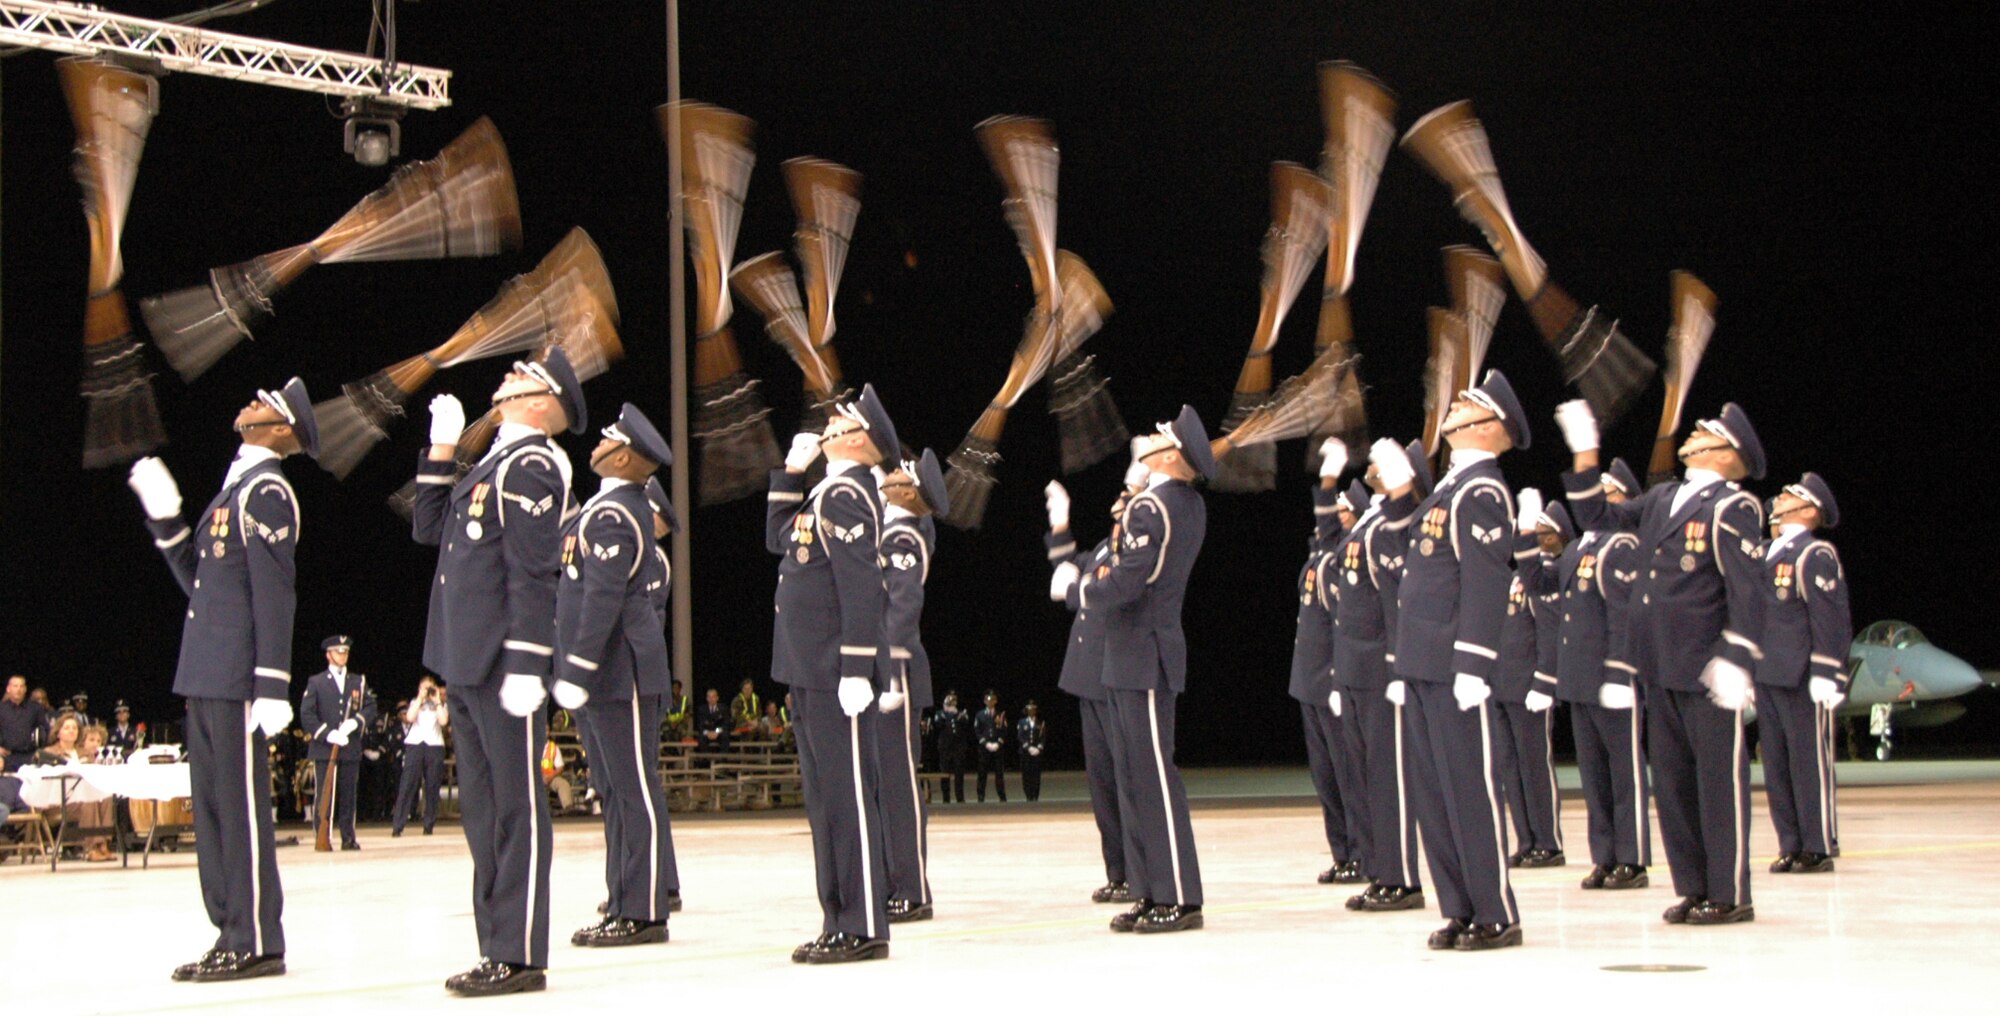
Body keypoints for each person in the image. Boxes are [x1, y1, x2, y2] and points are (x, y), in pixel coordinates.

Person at [127, 377, 317, 982]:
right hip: (207, 670)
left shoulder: (267, 492)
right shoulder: (235, 488)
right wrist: (166, 519)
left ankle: (258, 938)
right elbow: (201, 581)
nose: (250, 401)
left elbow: (274, 594)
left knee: (240, 812)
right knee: (210, 812)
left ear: (282, 429)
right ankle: (230, 931)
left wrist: (272, 683)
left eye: (264, 403)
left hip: (237, 677)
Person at [413, 350, 588, 996]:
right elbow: (427, 528)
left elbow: (534, 574)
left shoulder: (536, 464)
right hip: (465, 657)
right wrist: (440, 449)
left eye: (522, 377)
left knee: (517, 810)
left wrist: (526, 662)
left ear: (544, 405)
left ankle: (519, 954)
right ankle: (496, 948)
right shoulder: (495, 462)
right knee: (484, 814)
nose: (508, 377)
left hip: (501, 662)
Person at [1559, 398, 1767, 925]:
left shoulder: (1732, 507)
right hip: (1657, 663)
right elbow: (1596, 517)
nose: (1692, 435)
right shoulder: (1664, 499)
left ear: (1726, 454)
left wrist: (1737, 657)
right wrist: (1586, 453)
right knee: (1673, 786)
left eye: (1705, 434)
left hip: (1705, 666)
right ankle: (1695, 887)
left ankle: (1730, 891)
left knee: (1719, 783)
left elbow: (1748, 589)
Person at [1370, 370, 1529, 952]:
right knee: (1434, 794)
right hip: (1421, 663)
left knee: (1470, 788)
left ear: (1486, 428)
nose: (1452, 408)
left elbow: (1486, 582)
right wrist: (1397, 493)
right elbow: (1409, 559)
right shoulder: (1451, 491)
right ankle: (1459, 907)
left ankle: (1495, 911)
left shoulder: (1483, 491)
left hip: (1453, 666)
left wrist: (1473, 662)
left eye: (1465, 405)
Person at [1060, 405, 1212, 935]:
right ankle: (1152, 891)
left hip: (1140, 652)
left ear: (1170, 455)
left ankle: (1176, 897)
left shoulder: (1155, 507)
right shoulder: (1177, 503)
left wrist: (1079, 588)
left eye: (1157, 435)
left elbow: (1127, 581)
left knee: (1152, 779)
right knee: (1136, 780)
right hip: (1135, 653)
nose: (1145, 436)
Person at [766, 384, 898, 964]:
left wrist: (855, 667)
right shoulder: (827, 491)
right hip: (809, 666)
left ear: (857, 439)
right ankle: (838, 916)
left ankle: (862, 922)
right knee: (826, 799)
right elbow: (779, 541)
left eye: (838, 421)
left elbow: (861, 586)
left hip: (831, 669)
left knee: (846, 798)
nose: (827, 424)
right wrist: (790, 474)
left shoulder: (847, 495)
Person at [553, 403, 682, 948]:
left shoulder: (614, 515)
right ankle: (626, 900)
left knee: (633, 791)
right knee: (617, 791)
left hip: (619, 671)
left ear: (624, 456)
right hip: (613, 672)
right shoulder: (607, 510)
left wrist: (578, 667)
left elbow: (602, 599)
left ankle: (646, 909)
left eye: (607, 440)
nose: (597, 444)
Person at [1521, 461, 1650, 890]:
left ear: (1622, 500)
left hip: (1610, 677)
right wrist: (1525, 535)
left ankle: (1630, 859)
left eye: (1606, 493)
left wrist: (1618, 671)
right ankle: (1605, 855)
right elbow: (1540, 582)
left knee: (1624, 773)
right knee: (1595, 776)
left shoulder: (1623, 545)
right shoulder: (1578, 548)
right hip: (1579, 677)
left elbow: (1622, 616)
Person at [1044, 460, 1146, 904]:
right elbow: (1068, 565)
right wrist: (1060, 520)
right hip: (1089, 677)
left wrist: (1072, 588)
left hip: (1115, 675)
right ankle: (1119, 872)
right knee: (1103, 784)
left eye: (1123, 502)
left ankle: (1138, 872)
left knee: (1126, 781)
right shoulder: (1107, 548)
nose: (1114, 506)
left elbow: (1082, 585)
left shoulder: (1133, 553)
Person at [1331, 464, 1427, 914]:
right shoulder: (1367, 524)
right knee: (1367, 775)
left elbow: (1395, 601)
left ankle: (1401, 877)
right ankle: (1379, 868)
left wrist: (1396, 668)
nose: (1373, 464)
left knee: (1390, 779)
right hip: (1354, 668)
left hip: (1379, 670)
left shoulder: (1387, 527)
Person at [1757, 473, 1851, 875]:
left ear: (1808, 510)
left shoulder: (1814, 554)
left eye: (1789, 496)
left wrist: (1827, 671)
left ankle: (1818, 843)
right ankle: (1791, 842)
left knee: (1807, 761)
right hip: (1767, 672)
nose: (1778, 498)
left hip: (1799, 673)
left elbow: (1829, 618)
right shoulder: (1767, 553)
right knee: (1776, 764)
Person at [872, 449, 949, 922]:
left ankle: (912, 888)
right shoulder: (893, 528)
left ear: (908, 492)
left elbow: (902, 608)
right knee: (884, 782)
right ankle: (891, 880)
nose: (890, 473)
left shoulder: (903, 535)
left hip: (893, 672)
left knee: (898, 782)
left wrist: (890, 673)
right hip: (883, 670)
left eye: (898, 472)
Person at [1293, 439, 1367, 885]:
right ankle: (1342, 851)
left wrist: (1328, 478)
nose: (1332, 514)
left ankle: (1361, 851)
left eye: (1341, 509)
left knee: (1349, 773)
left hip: (1335, 677)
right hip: (1309, 678)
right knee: (1326, 778)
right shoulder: (1321, 555)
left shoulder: (1348, 553)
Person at [1489, 493, 1565, 869]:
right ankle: (1526, 839)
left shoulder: (1545, 575)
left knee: (1534, 763)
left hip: (1528, 684)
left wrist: (1545, 680)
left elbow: (1549, 632)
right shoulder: (1511, 577)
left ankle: (1548, 841)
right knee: (1509, 765)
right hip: (1501, 683)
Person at [299, 635, 378, 851]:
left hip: (350, 747)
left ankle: (348, 837)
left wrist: (355, 722)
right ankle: (322, 836)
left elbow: (371, 707)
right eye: (338, 652)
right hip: (325, 748)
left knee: (348, 794)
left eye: (345, 652)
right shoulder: (316, 682)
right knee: (325, 794)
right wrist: (327, 734)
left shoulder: (358, 681)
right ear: (328, 655)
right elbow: (307, 715)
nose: (343, 655)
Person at [31, 714, 117, 861]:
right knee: (89, 801)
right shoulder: (49, 753)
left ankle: (104, 844)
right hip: (59, 800)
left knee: (106, 797)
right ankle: (92, 848)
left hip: (81, 798)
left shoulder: (83, 752)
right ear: (58, 732)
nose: (72, 731)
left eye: (75, 728)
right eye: (67, 728)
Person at [394, 677, 450, 836]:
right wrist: (420, 698)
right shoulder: (414, 703)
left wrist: (437, 700)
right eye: (425, 688)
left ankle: (429, 824)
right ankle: (398, 824)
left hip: (434, 746)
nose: (428, 692)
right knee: (407, 784)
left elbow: (443, 721)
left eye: (430, 688)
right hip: (415, 744)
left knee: (432, 786)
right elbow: (410, 718)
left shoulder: (441, 705)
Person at [1, 675, 51, 773]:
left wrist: (42, 750)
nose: (18, 689)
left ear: (25, 689)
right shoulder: (1, 708)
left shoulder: (36, 708)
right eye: (15, 686)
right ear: (8, 689)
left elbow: (45, 730)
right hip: (7, 757)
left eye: (21, 686)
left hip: (31, 756)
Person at [932, 692, 970, 803]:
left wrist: (957, 713)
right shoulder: (940, 714)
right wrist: (947, 715)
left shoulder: (960, 714)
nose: (951, 705)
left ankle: (960, 797)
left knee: (959, 773)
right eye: (949, 703)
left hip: (958, 747)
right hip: (945, 748)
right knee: (945, 773)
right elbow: (938, 725)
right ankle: (946, 797)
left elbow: (965, 724)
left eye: (953, 703)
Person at [973, 691, 1008, 802]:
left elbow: (1004, 730)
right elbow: (977, 730)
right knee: (982, 772)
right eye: (988, 700)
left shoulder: (1000, 714)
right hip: (985, 747)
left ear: (996, 701)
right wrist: (985, 743)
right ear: (984, 701)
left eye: (992, 700)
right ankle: (980, 795)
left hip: (997, 747)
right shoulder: (980, 715)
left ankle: (1002, 795)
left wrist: (998, 742)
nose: (990, 702)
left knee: (999, 773)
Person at [1016, 701, 1046, 802]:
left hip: (1037, 752)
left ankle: (1035, 795)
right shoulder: (1022, 722)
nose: (1031, 711)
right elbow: (1020, 736)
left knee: (1036, 774)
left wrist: (1038, 748)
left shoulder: (1040, 722)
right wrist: (1028, 747)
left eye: (1033, 709)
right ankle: (1028, 795)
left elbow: (1043, 737)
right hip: (1025, 752)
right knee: (1026, 774)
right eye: (1029, 709)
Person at [694, 689, 730, 756]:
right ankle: (706, 761)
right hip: (707, 732)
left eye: (713, 697)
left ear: (717, 698)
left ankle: (722, 760)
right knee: (701, 738)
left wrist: (716, 732)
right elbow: (700, 725)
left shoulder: (723, 709)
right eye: (709, 697)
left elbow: (726, 724)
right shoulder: (701, 709)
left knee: (725, 736)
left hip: (718, 732)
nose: (711, 699)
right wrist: (708, 733)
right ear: (707, 698)